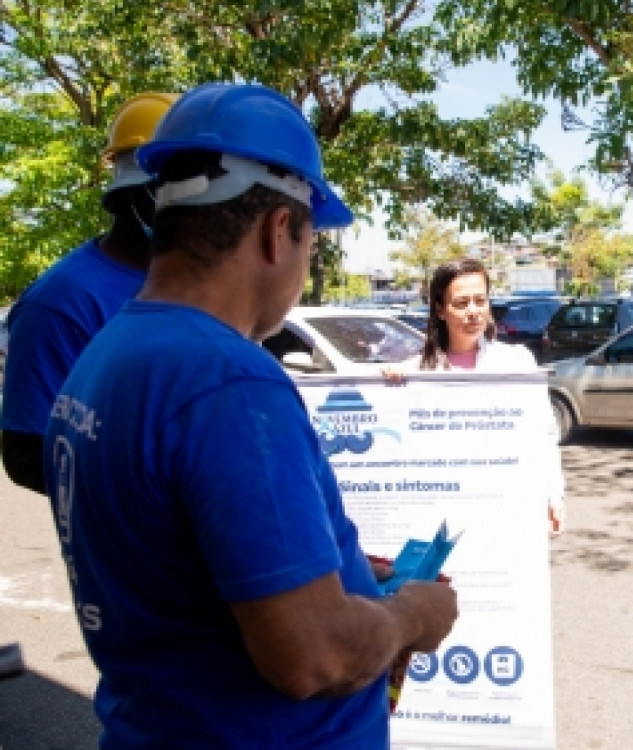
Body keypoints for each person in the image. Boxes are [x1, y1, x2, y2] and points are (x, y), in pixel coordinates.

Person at [43, 83, 457, 749]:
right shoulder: (228, 380)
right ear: (277, 231)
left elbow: (184, 562)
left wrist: (340, 569)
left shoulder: (111, 355)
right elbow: (312, 656)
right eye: (311, 241)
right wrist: (411, 614)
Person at [1, 93, 177, 494]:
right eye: (173, 197)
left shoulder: (196, 283)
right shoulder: (61, 302)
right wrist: (151, 489)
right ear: (132, 196)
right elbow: (25, 454)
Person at [386, 258, 566, 535]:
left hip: (506, 509)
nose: (473, 311)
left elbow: (542, 435)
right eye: (461, 303)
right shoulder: (415, 371)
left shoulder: (517, 363)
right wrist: (385, 387)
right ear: (440, 309)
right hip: (438, 514)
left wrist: (553, 494)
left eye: (480, 300)